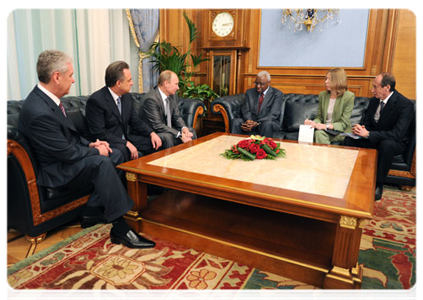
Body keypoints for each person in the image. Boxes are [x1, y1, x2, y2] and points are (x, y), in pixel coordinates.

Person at [18, 50, 155, 249]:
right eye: (71, 75)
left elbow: (69, 138)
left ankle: (91, 210)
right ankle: (120, 227)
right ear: (57, 77)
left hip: (65, 159)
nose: (73, 81)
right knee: (101, 161)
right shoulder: (39, 111)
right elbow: (66, 153)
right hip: (56, 170)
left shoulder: (48, 100)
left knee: (115, 153)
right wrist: (95, 152)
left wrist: (92, 144)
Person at [344, 72, 413, 201]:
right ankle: (349, 178)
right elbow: (368, 123)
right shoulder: (374, 101)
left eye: (375, 87)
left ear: (387, 87)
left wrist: (369, 134)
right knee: (349, 140)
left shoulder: (404, 104)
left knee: (385, 145)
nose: (372, 90)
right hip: (375, 138)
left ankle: (377, 184)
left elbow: (397, 134)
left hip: (394, 142)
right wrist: (362, 128)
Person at [85, 61, 162, 162]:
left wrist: (151, 133)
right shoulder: (97, 100)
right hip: (109, 142)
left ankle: (149, 176)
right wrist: (125, 143)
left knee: (155, 143)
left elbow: (135, 121)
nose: (132, 83)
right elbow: (100, 133)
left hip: (125, 138)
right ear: (118, 83)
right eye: (129, 80)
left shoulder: (126, 97)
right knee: (124, 149)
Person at [141, 70, 196, 149]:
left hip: (167, 129)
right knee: (168, 137)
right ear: (166, 83)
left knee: (191, 131)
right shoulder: (151, 99)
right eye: (176, 84)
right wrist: (179, 135)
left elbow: (176, 117)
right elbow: (158, 125)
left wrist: (184, 128)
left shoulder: (173, 96)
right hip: (153, 133)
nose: (178, 87)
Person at [304, 68, 355, 144]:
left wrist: (326, 126)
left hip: (340, 132)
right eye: (326, 79)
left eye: (329, 79)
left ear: (338, 81)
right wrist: (313, 123)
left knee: (319, 133)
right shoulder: (323, 95)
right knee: (318, 133)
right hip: (325, 130)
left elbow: (344, 123)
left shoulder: (349, 96)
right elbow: (319, 117)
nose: (325, 82)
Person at [231, 71, 283, 138]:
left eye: (261, 84)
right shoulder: (249, 92)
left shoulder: (277, 94)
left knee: (267, 124)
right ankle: (235, 146)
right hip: (251, 121)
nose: (258, 86)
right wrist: (248, 121)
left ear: (268, 83)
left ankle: (264, 147)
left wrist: (257, 123)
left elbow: (273, 114)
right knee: (236, 122)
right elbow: (245, 109)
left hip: (266, 122)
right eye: (256, 83)